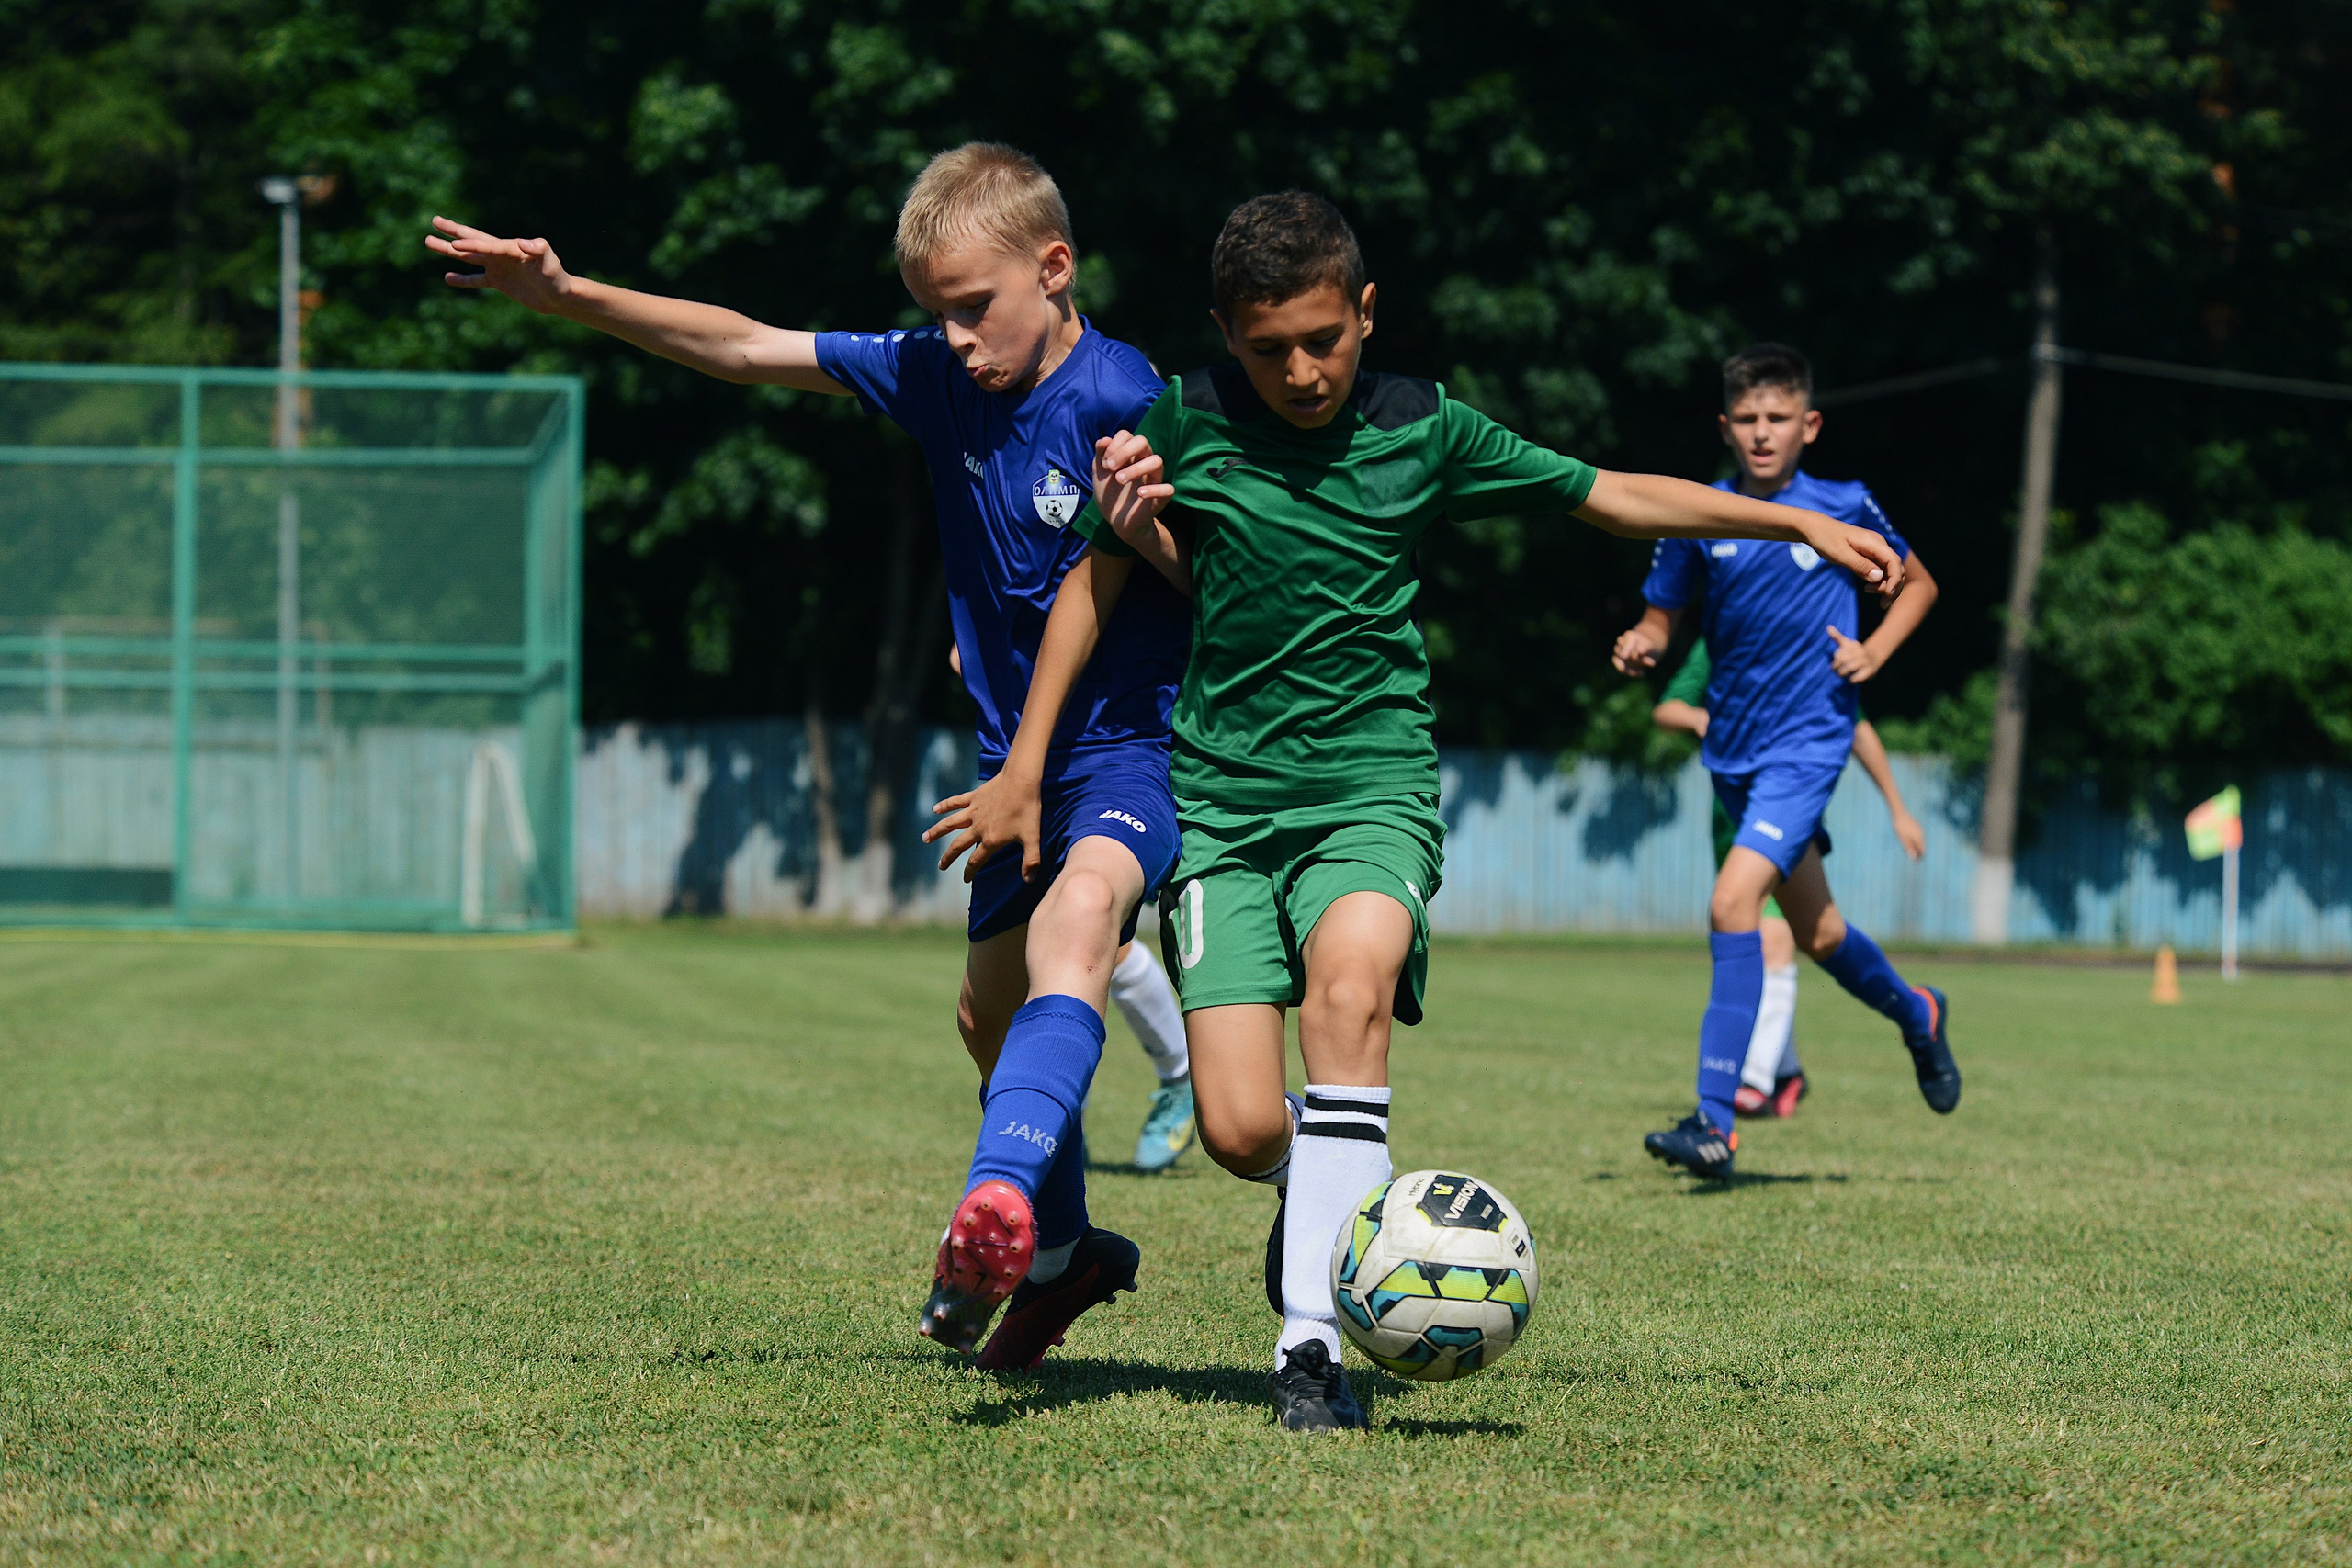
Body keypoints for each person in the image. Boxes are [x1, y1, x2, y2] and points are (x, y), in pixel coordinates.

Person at [951, 195, 1908, 1431]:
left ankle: (1310, 1348)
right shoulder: (1180, 420)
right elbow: (1096, 584)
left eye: (1321, 339)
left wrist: (1790, 515)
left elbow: (1610, 494)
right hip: (1226, 805)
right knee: (1241, 1126)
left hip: (1370, 789)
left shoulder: (1424, 427)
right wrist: (1030, 758)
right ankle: (1333, 1194)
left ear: (1365, 309)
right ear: (1223, 337)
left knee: (1349, 992)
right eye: (1265, 347)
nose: (1299, 370)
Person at [429, 143, 1192, 1369]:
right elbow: (744, 344)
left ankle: (987, 1204)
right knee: (984, 1018)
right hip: (1012, 764)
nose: (951, 336)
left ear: (1054, 268)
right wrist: (565, 295)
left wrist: (1153, 539)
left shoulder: (1125, 393)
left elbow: (1212, 580)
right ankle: (1063, 1254)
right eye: (932, 313)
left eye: (972, 307)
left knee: (1077, 933)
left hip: (1127, 750)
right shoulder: (942, 379)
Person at [1613, 343, 1960, 1183]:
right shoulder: (1701, 514)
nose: (1763, 434)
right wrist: (1642, 644)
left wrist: (1874, 652)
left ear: (1808, 424)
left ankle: (1715, 1122)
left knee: (1732, 903)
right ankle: (1918, 1010)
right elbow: (1663, 619)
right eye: (1748, 419)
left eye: (1778, 419)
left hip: (1808, 746)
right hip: (1732, 750)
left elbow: (1918, 585)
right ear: (1725, 426)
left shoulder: (1843, 504)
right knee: (1821, 933)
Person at [945, 641, 1196, 1168]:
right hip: (1022, 768)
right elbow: (962, 655)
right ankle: (1055, 1191)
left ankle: (1179, 1077)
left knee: (1082, 917)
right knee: (985, 1014)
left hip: (1117, 756)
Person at [1653, 639, 1928, 1118]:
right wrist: (1699, 718)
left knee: (1775, 941)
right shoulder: (1721, 632)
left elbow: (1857, 725)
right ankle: (1789, 1069)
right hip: (1731, 819)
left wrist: (1898, 808)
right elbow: (1669, 706)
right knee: (1811, 937)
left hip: (1786, 812)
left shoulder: (1810, 636)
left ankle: (1751, 1084)